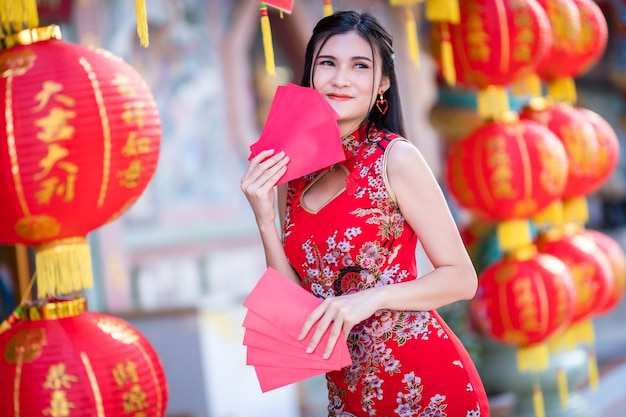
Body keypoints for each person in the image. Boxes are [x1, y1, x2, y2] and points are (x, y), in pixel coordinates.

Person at [241, 10, 490, 417]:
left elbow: (462, 279)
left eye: (360, 66)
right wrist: (265, 220)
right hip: (348, 397)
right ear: (310, 75)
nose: (341, 78)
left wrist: (371, 300)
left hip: (424, 388)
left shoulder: (395, 158)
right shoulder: (294, 177)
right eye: (328, 63)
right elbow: (297, 312)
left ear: (382, 84)